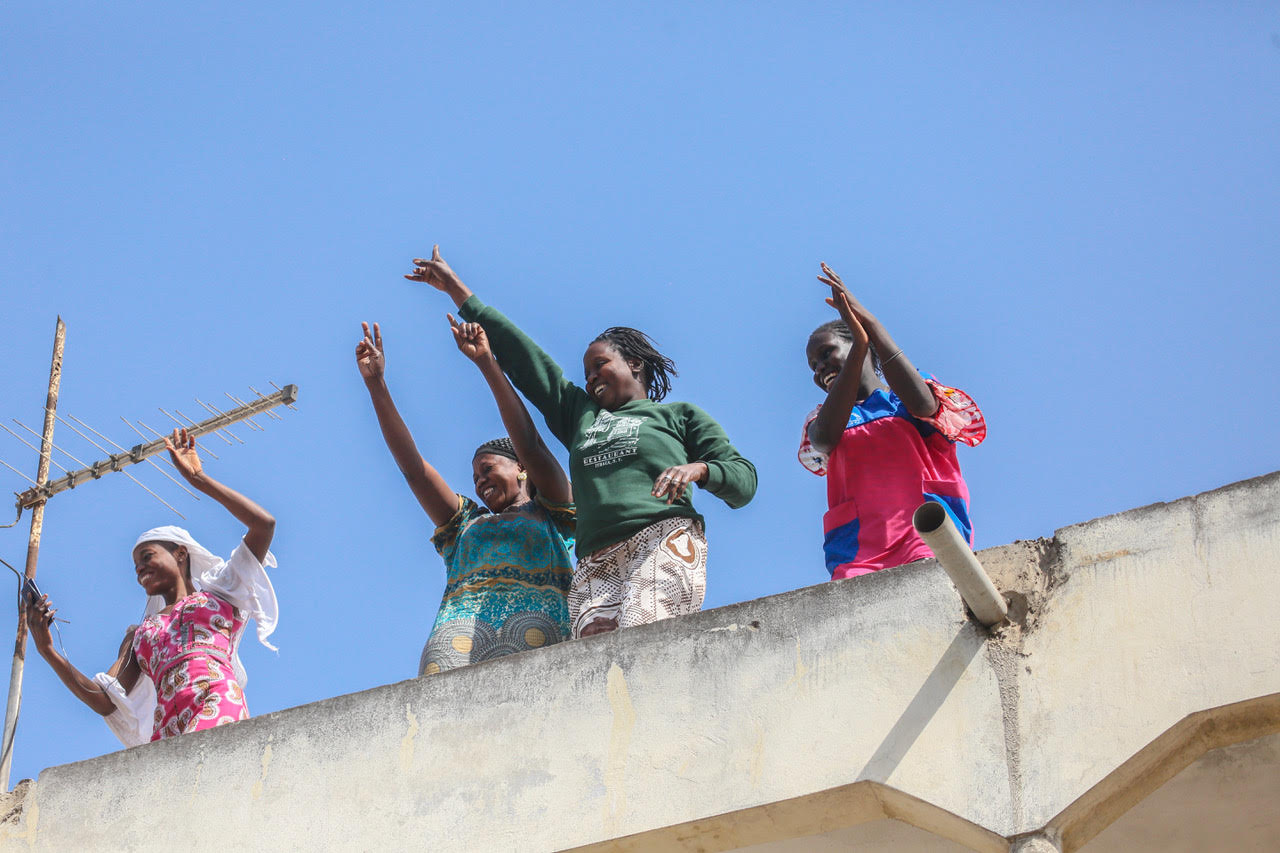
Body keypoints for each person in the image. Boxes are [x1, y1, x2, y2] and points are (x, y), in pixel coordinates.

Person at [405, 246, 757, 639]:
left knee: (645, 635)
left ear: (635, 364)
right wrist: (457, 290)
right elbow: (529, 360)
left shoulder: (679, 416)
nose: (590, 379)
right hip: (595, 558)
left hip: (662, 537)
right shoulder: (582, 416)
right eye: (586, 373)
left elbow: (744, 482)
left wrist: (698, 468)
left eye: (600, 365)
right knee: (594, 664)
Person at [26, 428, 278, 747]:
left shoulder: (221, 594)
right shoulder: (141, 633)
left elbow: (263, 525)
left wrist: (199, 479)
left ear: (180, 554)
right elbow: (104, 700)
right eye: (136, 566)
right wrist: (46, 649)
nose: (140, 568)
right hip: (168, 731)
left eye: (147, 556)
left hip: (217, 707)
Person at [356, 318, 575, 675]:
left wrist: (487, 363)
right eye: (474, 476)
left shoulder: (555, 512)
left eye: (487, 469)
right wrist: (377, 386)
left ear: (520, 467)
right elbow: (414, 470)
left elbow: (532, 445)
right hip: (456, 642)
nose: (479, 482)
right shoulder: (464, 525)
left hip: (539, 636)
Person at [799, 263, 986, 580]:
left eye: (827, 353)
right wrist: (857, 346)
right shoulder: (822, 417)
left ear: (867, 346)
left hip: (926, 535)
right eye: (814, 367)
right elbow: (824, 439)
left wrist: (867, 322)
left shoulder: (910, 395)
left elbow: (923, 405)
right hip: (856, 551)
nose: (819, 370)